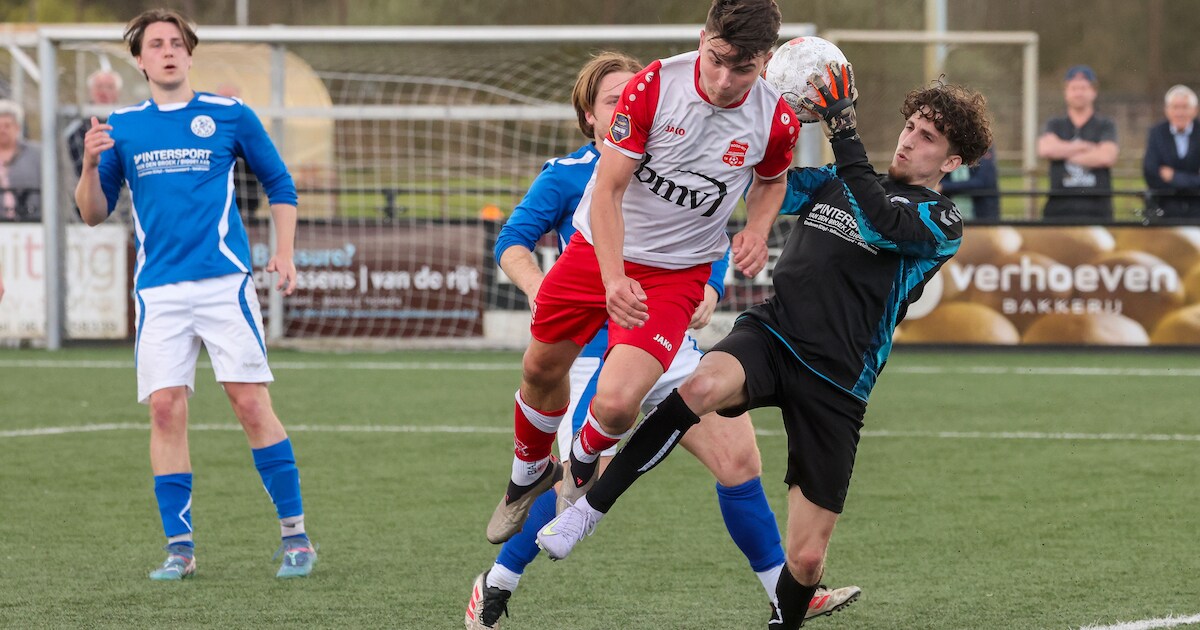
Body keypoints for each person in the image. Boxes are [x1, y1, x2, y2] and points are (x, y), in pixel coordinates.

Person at [536, 68, 993, 630]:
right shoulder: (836, 179)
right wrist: (751, 125)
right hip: (773, 335)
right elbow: (762, 182)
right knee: (697, 387)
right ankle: (588, 509)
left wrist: (843, 127)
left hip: (838, 383)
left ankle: (786, 619)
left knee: (805, 560)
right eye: (911, 125)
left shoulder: (941, 221)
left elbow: (879, 222)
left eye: (928, 137)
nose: (909, 138)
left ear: (950, 163)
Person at [466, 51, 858, 629]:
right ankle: (495, 585)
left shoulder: (688, 152)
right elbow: (513, 241)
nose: (627, 105)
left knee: (739, 460)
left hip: (665, 341)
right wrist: (541, 289)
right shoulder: (569, 175)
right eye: (611, 100)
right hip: (594, 353)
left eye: (632, 95)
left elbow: (712, 230)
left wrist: (709, 288)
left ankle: (785, 593)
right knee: (584, 477)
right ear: (591, 118)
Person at [486, 1, 798, 571]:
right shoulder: (655, 87)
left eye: (744, 70)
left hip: (675, 274)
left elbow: (772, 181)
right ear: (702, 39)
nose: (726, 81)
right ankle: (525, 477)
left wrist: (756, 227)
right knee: (537, 370)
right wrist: (611, 278)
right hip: (595, 254)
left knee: (619, 403)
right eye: (717, 60)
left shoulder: (776, 118)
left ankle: (578, 468)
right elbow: (604, 194)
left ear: (767, 61)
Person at [74, 9, 316, 581]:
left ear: (189, 53)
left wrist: (284, 251)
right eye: (155, 44)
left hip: (222, 284)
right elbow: (91, 213)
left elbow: (280, 182)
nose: (167, 51)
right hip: (158, 291)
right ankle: (179, 549)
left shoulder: (228, 115)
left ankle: (296, 538)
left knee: (250, 404)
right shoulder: (123, 126)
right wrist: (88, 165)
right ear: (139, 59)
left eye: (176, 43)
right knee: (164, 409)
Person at [1036, 65, 1118, 222]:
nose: (1078, 93)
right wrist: (1085, 148)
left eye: (1083, 88)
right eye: (1073, 88)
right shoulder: (1055, 124)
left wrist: (1063, 152)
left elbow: (1106, 157)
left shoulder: (1105, 125)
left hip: (1098, 212)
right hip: (1059, 212)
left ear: (1093, 92)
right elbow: (1046, 149)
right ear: (1066, 92)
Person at [1143, 84, 1200, 222]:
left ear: (1195, 110)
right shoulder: (1156, 133)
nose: (1180, 113)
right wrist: (1192, 180)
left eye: (1184, 107)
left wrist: (1173, 176)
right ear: (1167, 110)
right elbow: (1150, 172)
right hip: (1165, 209)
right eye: (1175, 107)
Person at [66, 69, 123, 178]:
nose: (104, 92)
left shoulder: (126, 125)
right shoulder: (76, 128)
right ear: (90, 91)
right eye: (99, 86)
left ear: (118, 93)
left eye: (110, 87)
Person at [0, 99, 42, 222]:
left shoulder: (36, 155)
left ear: (17, 128)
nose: (2, 130)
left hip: (33, 223)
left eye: (7, 126)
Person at [940, 145, 998, 221]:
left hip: (981, 215)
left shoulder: (983, 145)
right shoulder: (947, 146)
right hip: (949, 216)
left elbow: (981, 181)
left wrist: (943, 186)